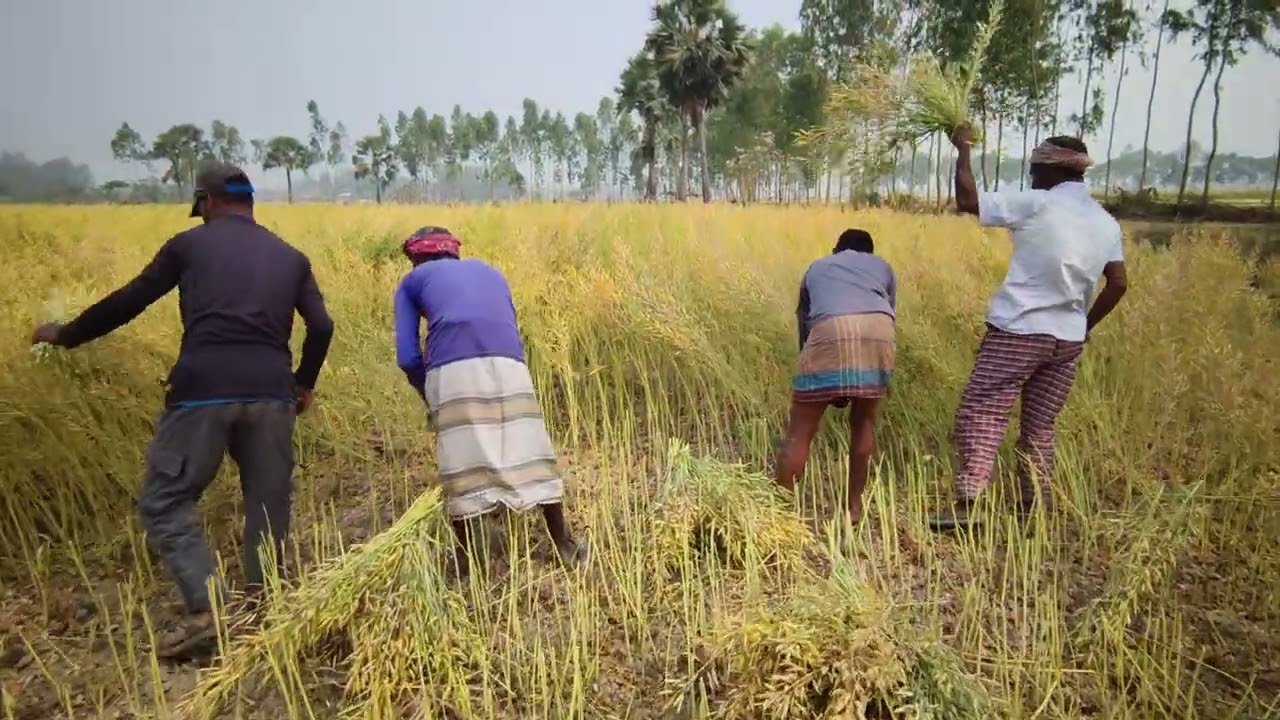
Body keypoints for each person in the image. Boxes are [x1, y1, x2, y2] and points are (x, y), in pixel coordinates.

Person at [30, 162, 335, 658]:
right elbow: (321, 327)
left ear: (208, 202)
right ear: (250, 203)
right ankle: (263, 610)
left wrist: (67, 334)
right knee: (268, 500)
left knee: (165, 499)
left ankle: (209, 607)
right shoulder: (291, 257)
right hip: (272, 394)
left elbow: (132, 299)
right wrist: (303, 384)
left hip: (202, 392)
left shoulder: (188, 246)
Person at [928, 126, 1128, 532]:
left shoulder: (1038, 203)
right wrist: (1084, 326)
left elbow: (967, 200)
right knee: (1039, 426)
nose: (1032, 177)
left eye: (1035, 169)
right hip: (1066, 340)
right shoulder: (1106, 223)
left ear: (1049, 170)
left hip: (1019, 329)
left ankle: (967, 505)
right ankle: (1031, 509)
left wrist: (963, 149)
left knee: (982, 410)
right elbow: (1119, 283)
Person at [392, 226, 589, 578]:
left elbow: (407, 356)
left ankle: (469, 563)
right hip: (511, 363)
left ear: (416, 258)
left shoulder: (412, 282)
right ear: (453, 253)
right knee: (530, 450)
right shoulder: (492, 273)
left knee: (462, 461)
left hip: (451, 368)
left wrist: (431, 396)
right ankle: (565, 545)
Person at [774, 228, 898, 526]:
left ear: (836, 249)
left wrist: (814, 366)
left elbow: (804, 324)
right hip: (879, 335)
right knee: (864, 422)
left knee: (800, 431)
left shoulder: (816, 268)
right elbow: (889, 313)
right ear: (869, 251)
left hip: (829, 334)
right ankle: (852, 510)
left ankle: (778, 513)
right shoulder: (882, 267)